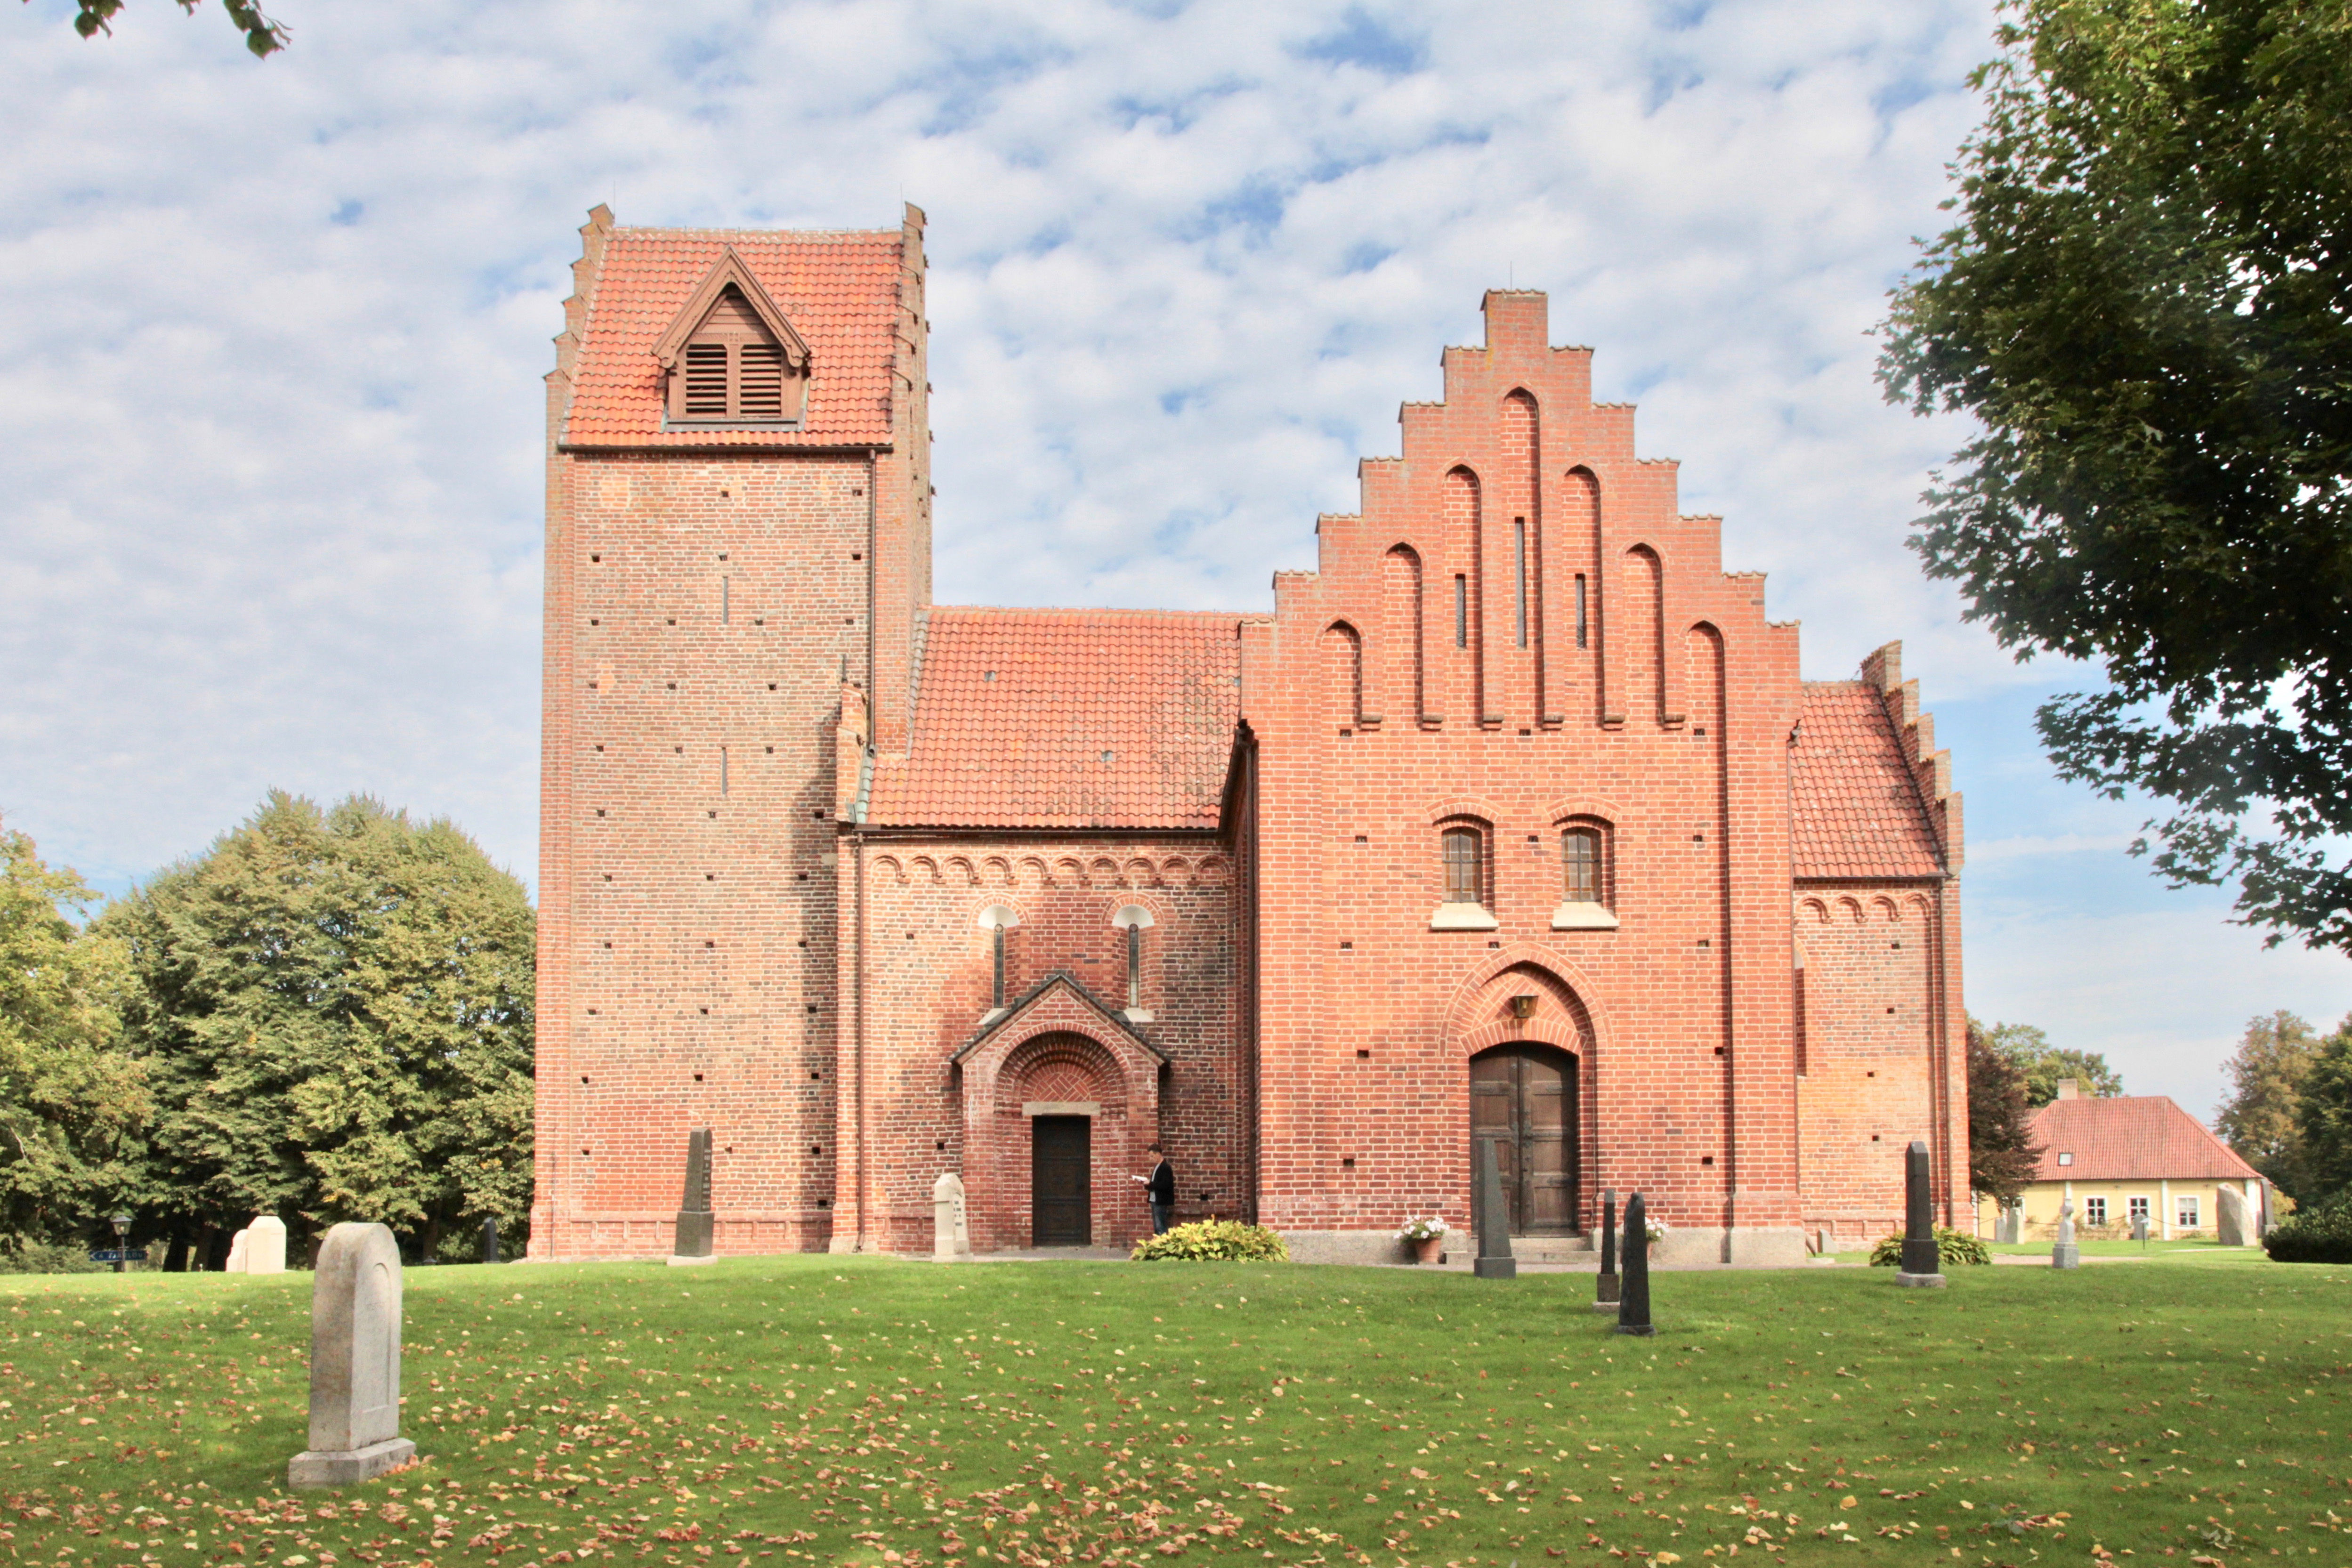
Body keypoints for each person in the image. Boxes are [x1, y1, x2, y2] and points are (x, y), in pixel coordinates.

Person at [1132, 1144, 1176, 1235]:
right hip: (1155, 1200)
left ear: (1158, 1154)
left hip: (1161, 1201)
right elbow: (1156, 1184)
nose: (1151, 1158)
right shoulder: (1158, 1167)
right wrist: (1147, 1183)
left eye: (1152, 1156)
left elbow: (1165, 1185)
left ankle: (1162, 1246)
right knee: (1157, 1227)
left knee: (1161, 1227)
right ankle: (1158, 1246)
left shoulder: (1165, 1167)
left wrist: (1150, 1183)